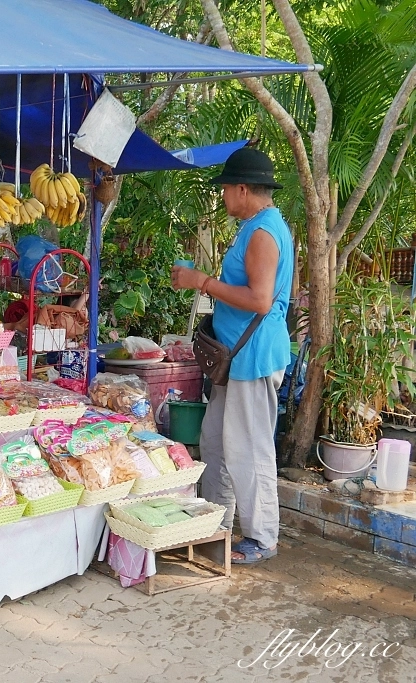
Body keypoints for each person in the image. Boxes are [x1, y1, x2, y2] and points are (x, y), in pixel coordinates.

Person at [171, 147, 293, 565]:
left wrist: (202, 282)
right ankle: (217, 523)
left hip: (253, 358)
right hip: (236, 358)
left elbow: (260, 300)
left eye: (225, 188)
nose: (222, 195)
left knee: (248, 449)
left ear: (243, 189)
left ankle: (262, 537)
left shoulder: (263, 232)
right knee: (215, 442)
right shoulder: (254, 227)